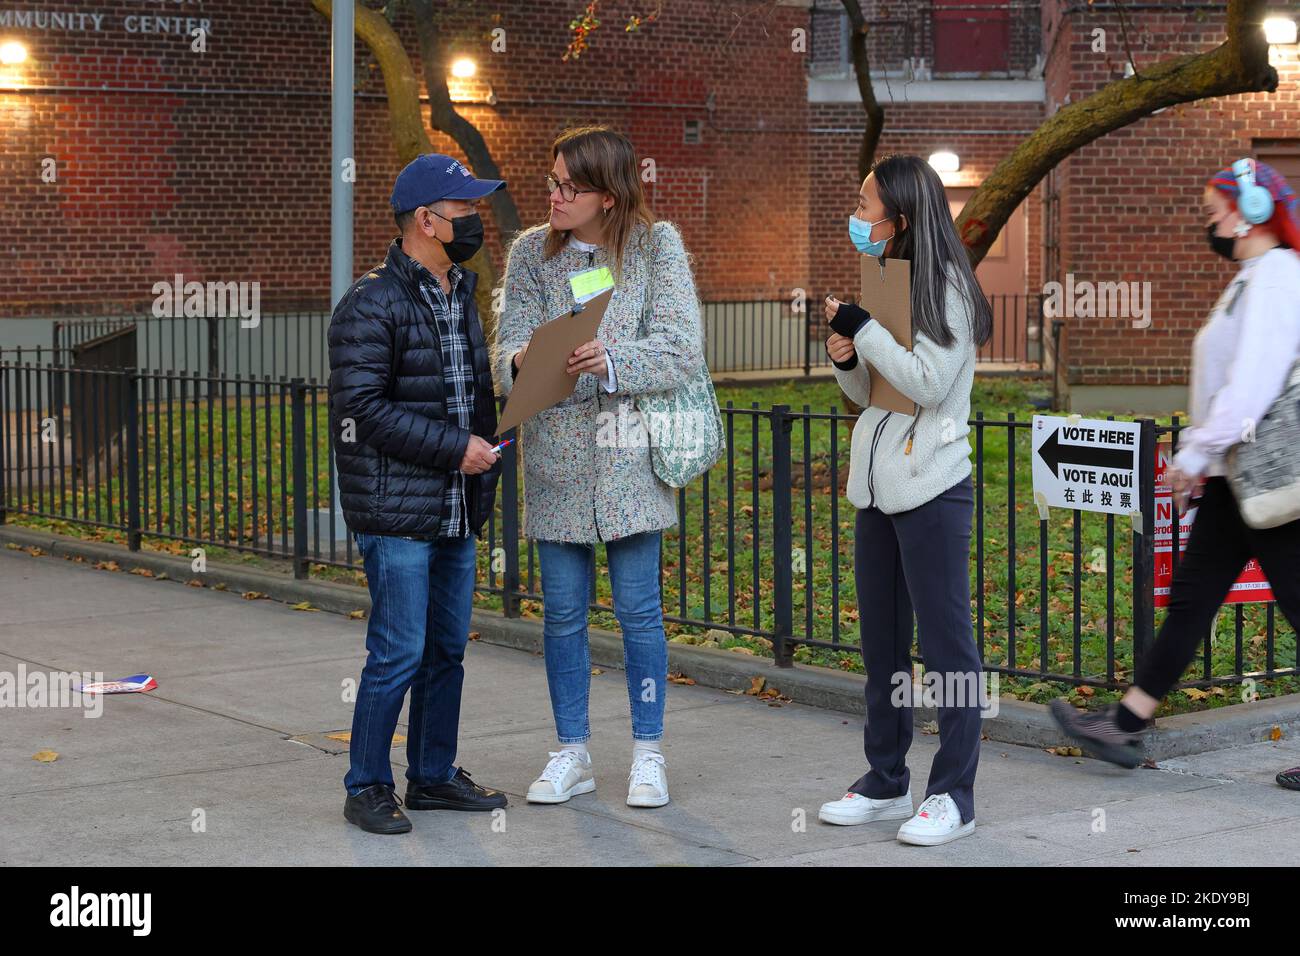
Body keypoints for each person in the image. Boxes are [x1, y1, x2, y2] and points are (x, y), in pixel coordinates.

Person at [1050, 159, 1300, 782]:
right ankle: (1125, 724)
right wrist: (1202, 462)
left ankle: (1124, 723)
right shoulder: (1250, 279)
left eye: (1215, 204)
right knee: (1192, 597)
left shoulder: (1275, 278)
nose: (1207, 216)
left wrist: (1191, 457)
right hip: (1238, 475)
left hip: (1267, 477)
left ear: (1253, 210)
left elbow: (1249, 390)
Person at [493, 126, 704, 809]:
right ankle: (571, 751)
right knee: (560, 616)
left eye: (568, 187)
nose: (553, 196)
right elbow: (508, 344)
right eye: (551, 183)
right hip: (554, 454)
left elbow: (680, 347)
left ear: (609, 196)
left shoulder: (655, 246)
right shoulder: (530, 252)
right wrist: (523, 360)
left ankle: (648, 752)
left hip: (628, 456)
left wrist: (612, 361)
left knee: (640, 613)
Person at [329, 154, 509, 834]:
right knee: (398, 650)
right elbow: (363, 411)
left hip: (455, 508)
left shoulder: (458, 292)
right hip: (397, 511)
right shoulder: (371, 303)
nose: (475, 222)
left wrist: (488, 447)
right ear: (427, 220)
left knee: (445, 651)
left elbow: (468, 398)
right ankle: (367, 784)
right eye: (465, 211)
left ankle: (432, 775)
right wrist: (454, 449)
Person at [816, 154, 993, 846]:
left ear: (902, 216)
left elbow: (926, 383)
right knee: (882, 645)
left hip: (932, 488)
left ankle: (954, 795)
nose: (856, 219)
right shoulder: (889, 279)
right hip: (877, 490)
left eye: (865, 207)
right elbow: (876, 398)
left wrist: (864, 333)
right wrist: (847, 361)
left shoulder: (946, 284)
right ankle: (885, 779)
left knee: (948, 648)